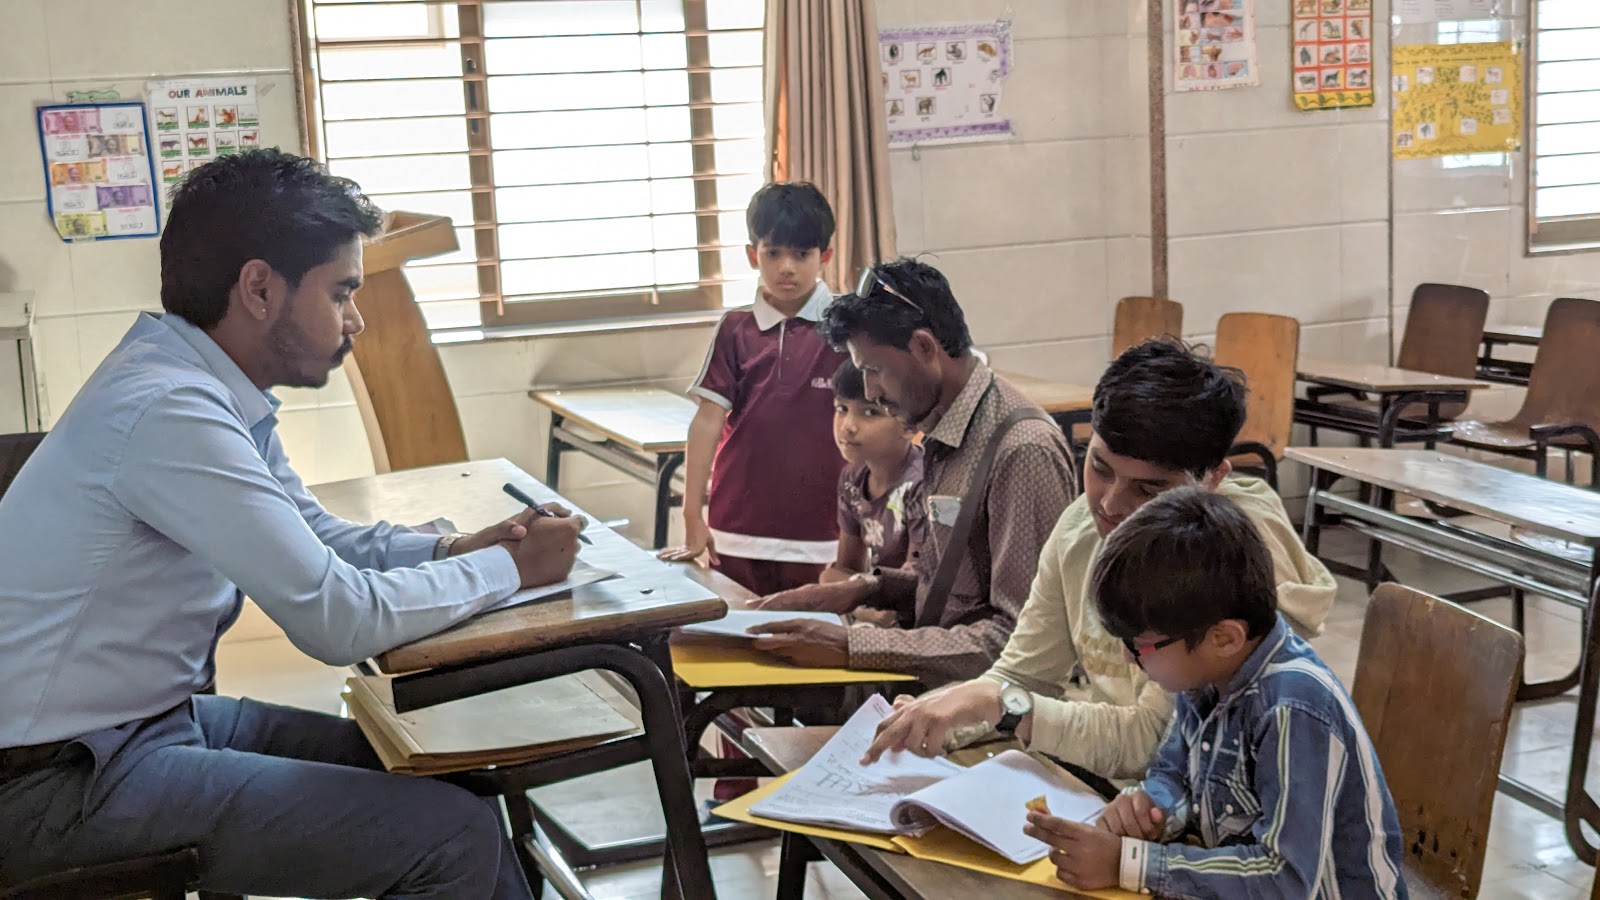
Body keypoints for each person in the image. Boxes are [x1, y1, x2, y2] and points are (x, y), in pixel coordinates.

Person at [0, 149, 581, 899]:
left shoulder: (200, 383)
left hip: (137, 728)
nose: (356, 318)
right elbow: (336, 619)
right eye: (342, 291)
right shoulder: (171, 408)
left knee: (453, 782)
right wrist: (511, 570)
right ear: (259, 288)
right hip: (50, 782)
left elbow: (318, 536)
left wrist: (457, 548)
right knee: (450, 835)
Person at [862, 339, 1335, 791]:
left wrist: (999, 707)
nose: (1110, 503)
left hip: (1204, 816)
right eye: (1100, 467)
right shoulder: (1080, 529)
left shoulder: (1232, 562)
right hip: (1117, 792)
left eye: (1149, 490)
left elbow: (1158, 744)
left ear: (1213, 480)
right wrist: (939, 715)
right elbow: (1025, 674)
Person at [1023, 488, 1406, 898]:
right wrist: (1152, 809)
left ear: (1223, 637)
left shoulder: (1293, 708)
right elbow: (1173, 774)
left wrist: (1129, 864)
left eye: (1141, 645)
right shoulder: (1205, 674)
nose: (1129, 658)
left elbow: (1286, 878)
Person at [748, 258, 1077, 684]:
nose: (870, 392)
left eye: (873, 370)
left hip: (991, 712)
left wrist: (850, 647)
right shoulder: (945, 430)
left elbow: (1023, 643)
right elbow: (953, 587)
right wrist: (862, 589)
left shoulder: (1020, 450)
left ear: (924, 348)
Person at [659, 182, 846, 596]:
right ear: (752, 255)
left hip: (825, 534)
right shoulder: (735, 330)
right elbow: (706, 424)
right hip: (737, 530)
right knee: (736, 645)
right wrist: (693, 514)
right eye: (773, 253)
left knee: (812, 648)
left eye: (802, 254)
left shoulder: (847, 330)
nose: (787, 268)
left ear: (825, 257)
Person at [820, 360, 924, 586]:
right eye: (842, 409)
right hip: (875, 601)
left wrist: (857, 597)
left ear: (910, 426)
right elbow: (844, 571)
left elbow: (915, 585)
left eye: (870, 412)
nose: (848, 426)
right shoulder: (852, 479)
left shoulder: (921, 485)